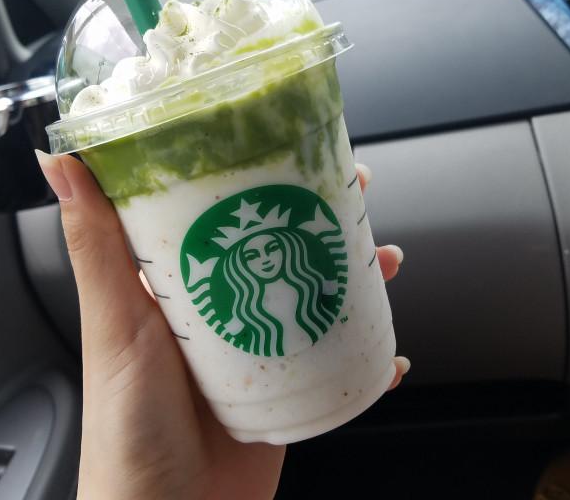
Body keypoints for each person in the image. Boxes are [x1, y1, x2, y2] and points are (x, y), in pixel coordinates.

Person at [37, 152, 409, 500]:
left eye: (272, 248)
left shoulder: (307, 293)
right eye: (252, 254)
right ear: (239, 266)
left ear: (290, 246)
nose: (264, 259)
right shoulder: (249, 315)